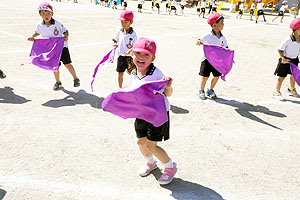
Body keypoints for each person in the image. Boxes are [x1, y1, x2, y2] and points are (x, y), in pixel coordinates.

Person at [127, 37, 177, 185]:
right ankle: (150, 163)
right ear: (132, 54)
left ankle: (169, 167)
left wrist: (167, 86)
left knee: (150, 145)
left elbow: (168, 93)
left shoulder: (157, 74)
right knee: (140, 142)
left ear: (153, 57)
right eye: (138, 54)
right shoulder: (134, 73)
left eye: (146, 55)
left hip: (157, 114)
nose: (141, 58)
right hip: (142, 113)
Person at [28, 2, 80, 91]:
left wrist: (66, 37)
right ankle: (58, 82)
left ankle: (75, 78)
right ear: (40, 14)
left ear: (52, 14)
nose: (46, 15)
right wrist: (33, 37)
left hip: (62, 47)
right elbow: (38, 32)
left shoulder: (57, 24)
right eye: (43, 13)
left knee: (67, 63)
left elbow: (65, 31)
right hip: (51, 49)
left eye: (48, 13)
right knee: (55, 66)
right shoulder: (39, 25)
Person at [196, 13, 228, 100]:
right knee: (205, 76)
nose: (223, 24)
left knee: (217, 76)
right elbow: (200, 39)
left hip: (217, 61)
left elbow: (226, 49)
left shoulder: (222, 37)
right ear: (214, 25)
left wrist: (229, 59)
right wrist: (199, 42)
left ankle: (210, 90)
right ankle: (201, 90)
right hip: (207, 60)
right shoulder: (208, 35)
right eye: (221, 22)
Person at [272, 18, 300, 100]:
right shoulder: (288, 39)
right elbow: (280, 50)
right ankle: (276, 92)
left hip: (294, 59)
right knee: (281, 77)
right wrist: (283, 58)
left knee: (294, 76)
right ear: (298, 29)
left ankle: (291, 89)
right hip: (286, 60)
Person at [113, 10, 137, 88]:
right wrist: (115, 43)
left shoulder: (133, 34)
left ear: (131, 22)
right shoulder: (119, 31)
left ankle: (133, 88)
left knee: (133, 74)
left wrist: (130, 50)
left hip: (129, 58)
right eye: (122, 22)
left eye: (125, 22)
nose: (123, 24)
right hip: (121, 56)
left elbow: (135, 45)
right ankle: (120, 88)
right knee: (120, 74)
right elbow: (115, 39)